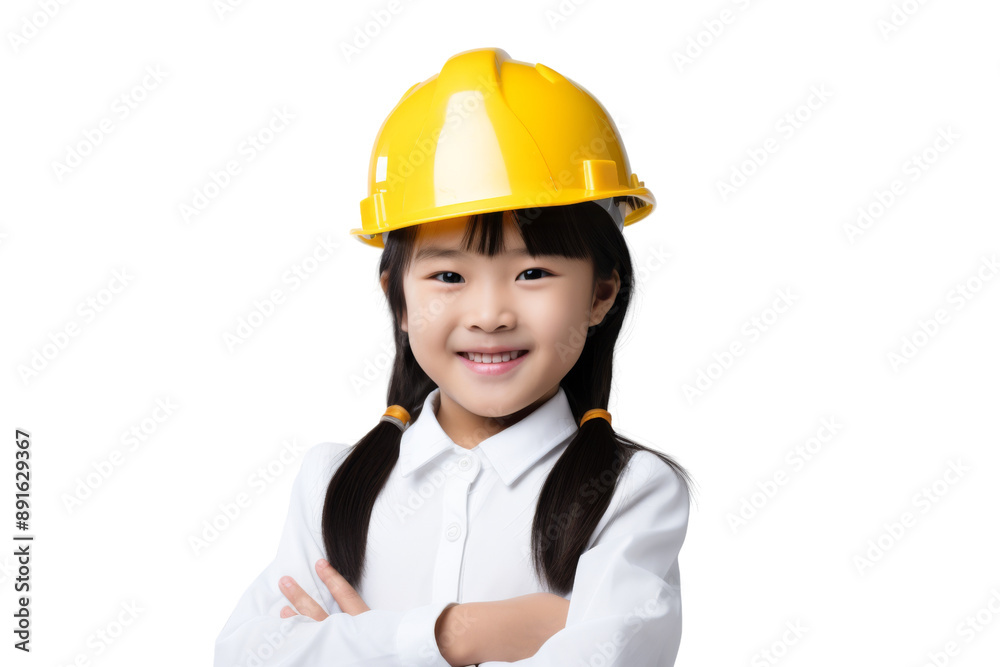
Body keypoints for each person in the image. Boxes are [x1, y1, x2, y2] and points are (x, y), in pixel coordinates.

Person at [215, 46, 694, 667]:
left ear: (602, 291)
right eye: (448, 276)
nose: (489, 314)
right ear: (399, 298)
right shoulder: (331, 484)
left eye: (533, 271)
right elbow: (248, 655)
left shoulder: (629, 492)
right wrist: (454, 635)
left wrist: (357, 642)